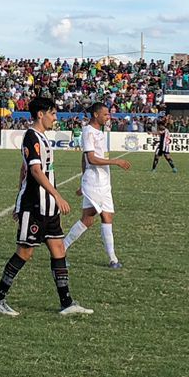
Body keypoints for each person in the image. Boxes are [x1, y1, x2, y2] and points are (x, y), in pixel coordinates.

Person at [0, 95, 92, 317]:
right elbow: (34, 171)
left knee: (59, 250)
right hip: (35, 206)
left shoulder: (43, 138)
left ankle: (67, 303)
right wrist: (56, 196)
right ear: (40, 114)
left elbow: (24, 169)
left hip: (48, 209)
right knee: (25, 253)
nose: (55, 118)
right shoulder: (31, 137)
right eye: (52, 113)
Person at [62, 102, 130, 269]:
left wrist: (82, 181)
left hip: (103, 183)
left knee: (97, 219)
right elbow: (90, 158)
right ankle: (61, 250)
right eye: (106, 114)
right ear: (95, 114)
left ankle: (112, 259)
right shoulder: (88, 132)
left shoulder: (99, 132)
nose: (109, 117)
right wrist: (116, 161)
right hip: (95, 183)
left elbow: (84, 160)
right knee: (94, 219)